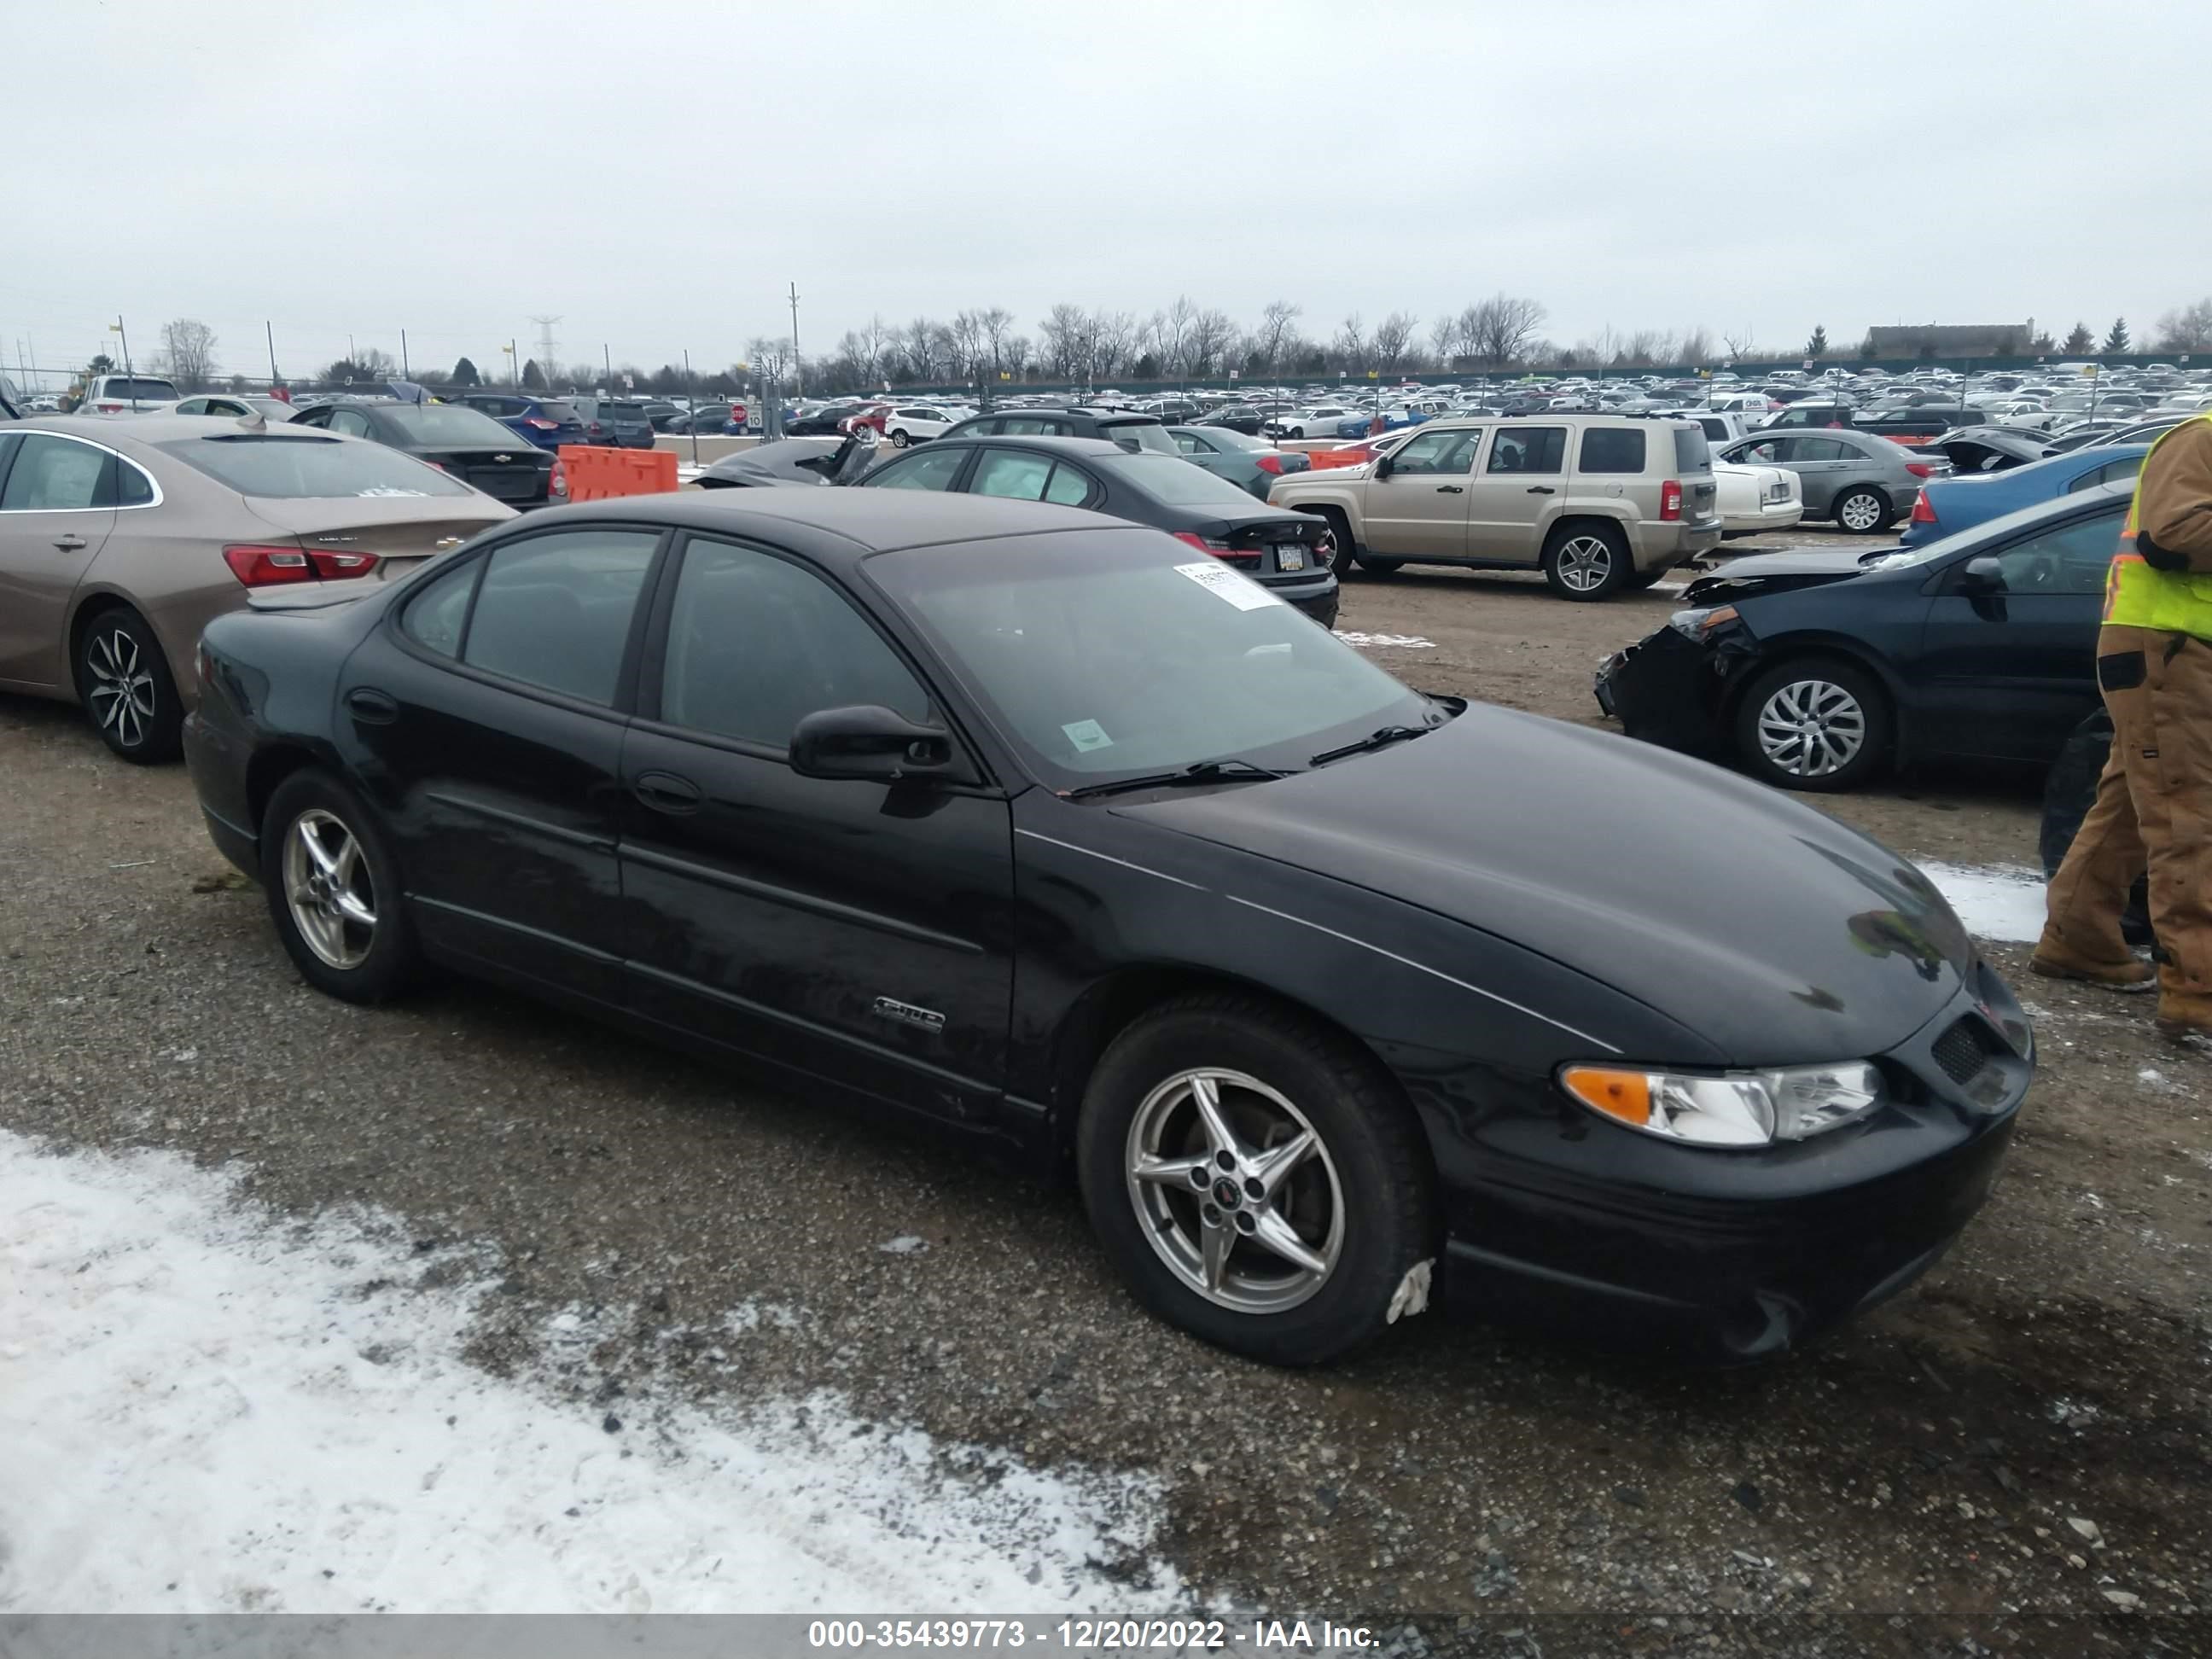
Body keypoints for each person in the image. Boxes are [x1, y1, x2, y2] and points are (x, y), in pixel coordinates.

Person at [2035, 412, 2212, 1039]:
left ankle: (2077, 935)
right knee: (2188, 816)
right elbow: (2171, 535)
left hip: (2173, 647)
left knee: (2136, 805)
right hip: (2168, 646)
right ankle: (2197, 984)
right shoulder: (2201, 438)